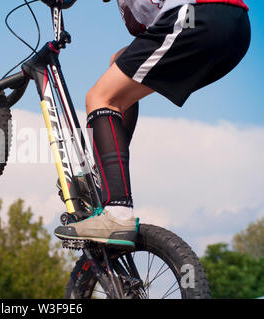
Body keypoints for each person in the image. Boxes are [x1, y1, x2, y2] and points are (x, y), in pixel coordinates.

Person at [54, 0, 251, 247]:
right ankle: (104, 178)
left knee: (100, 99)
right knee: (120, 66)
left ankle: (117, 212)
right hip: (234, 27)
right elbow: (142, 31)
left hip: (197, 15)